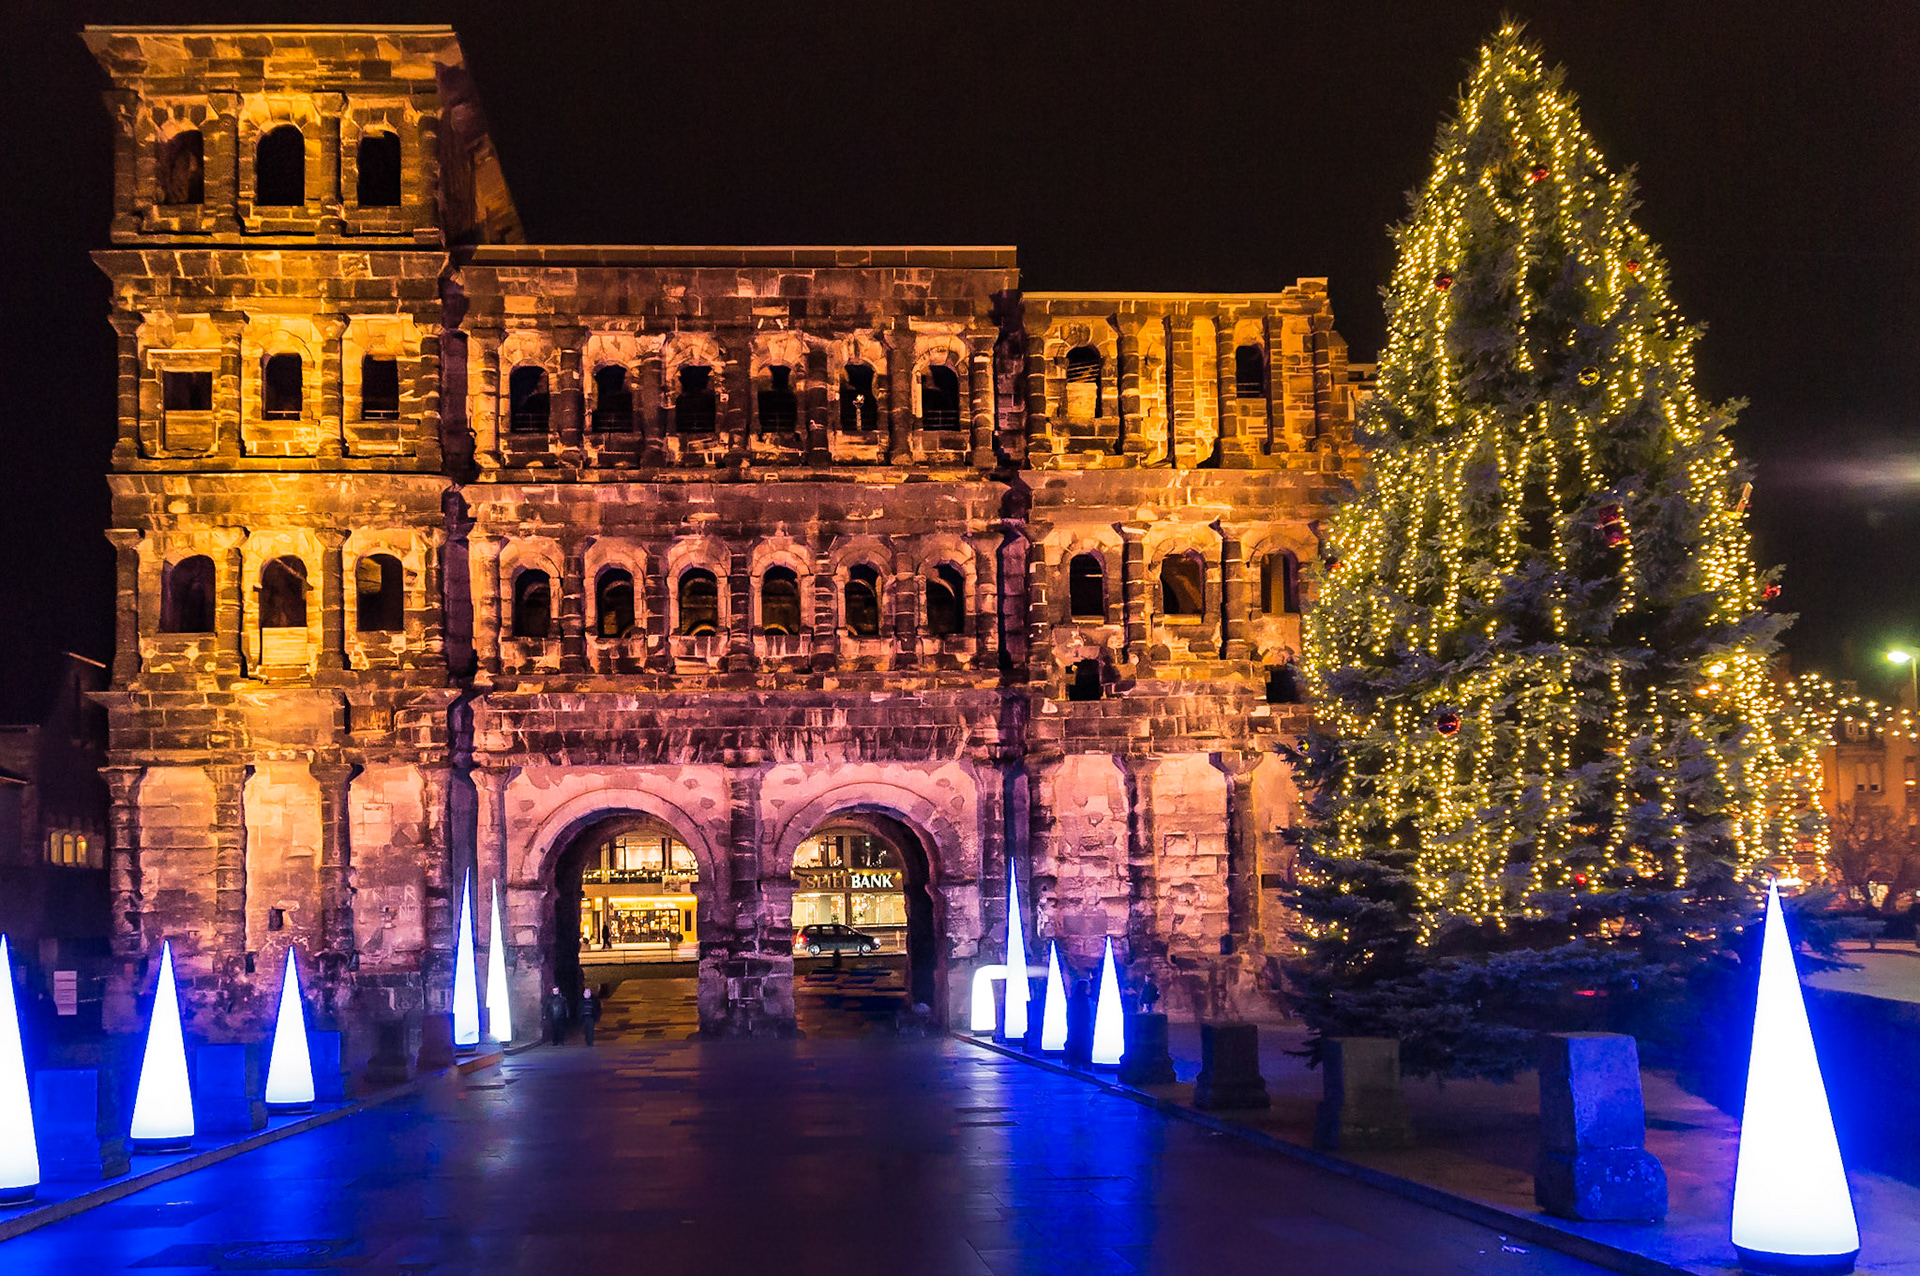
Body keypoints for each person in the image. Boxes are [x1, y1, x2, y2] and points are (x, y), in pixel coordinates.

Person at [1064, 977, 1094, 1069]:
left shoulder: (1072, 1000)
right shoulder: (1086, 1001)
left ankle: (1073, 1061)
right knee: (1084, 1044)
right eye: (1088, 988)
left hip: (1074, 1027)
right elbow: (1089, 1015)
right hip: (1083, 1027)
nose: (1090, 990)